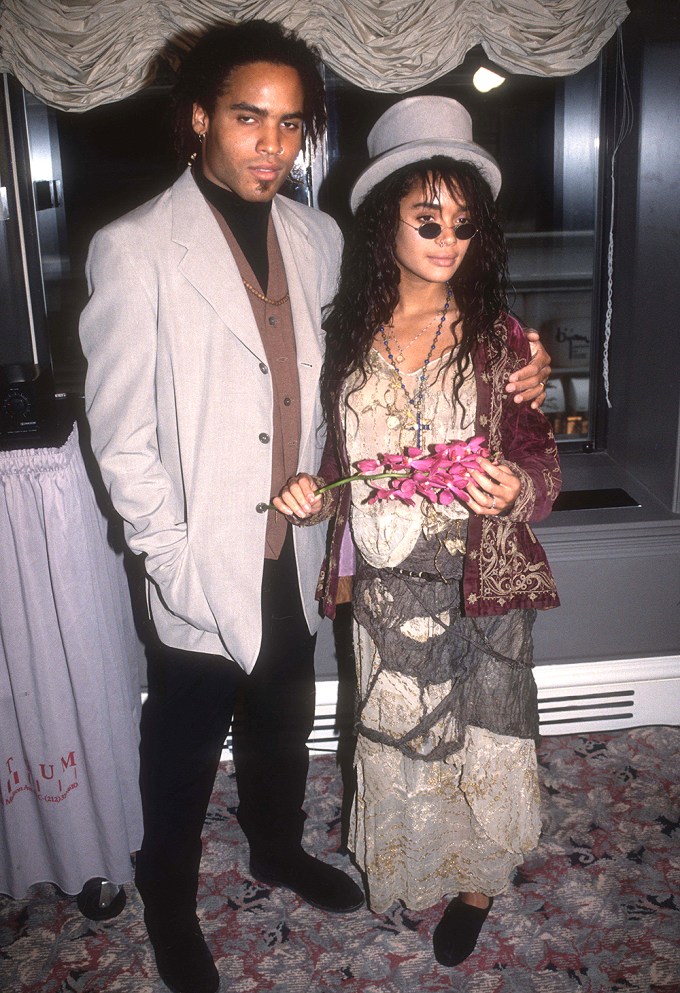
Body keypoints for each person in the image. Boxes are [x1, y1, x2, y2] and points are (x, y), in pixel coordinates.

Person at [80, 21, 550, 990]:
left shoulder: (321, 235)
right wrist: (169, 561)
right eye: (248, 118)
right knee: (183, 732)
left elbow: (390, 337)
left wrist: (528, 367)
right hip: (201, 551)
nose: (270, 145)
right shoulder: (131, 250)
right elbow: (121, 440)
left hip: (299, 545)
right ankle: (167, 894)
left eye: (290, 125)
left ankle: (274, 848)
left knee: (282, 718)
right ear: (201, 117)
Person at [274, 96, 561, 968]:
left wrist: (515, 484)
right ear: (385, 218)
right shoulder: (346, 338)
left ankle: (479, 885)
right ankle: (423, 861)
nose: (447, 240)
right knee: (400, 738)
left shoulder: (501, 340)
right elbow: (339, 468)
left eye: (464, 226)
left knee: (488, 735)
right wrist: (309, 495)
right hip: (387, 591)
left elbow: (542, 463)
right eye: (427, 219)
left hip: (480, 585)